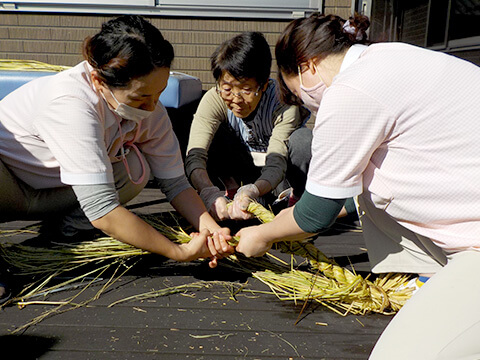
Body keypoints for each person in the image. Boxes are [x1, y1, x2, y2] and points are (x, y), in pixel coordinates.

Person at [235, 13, 480, 360]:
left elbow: (316, 215)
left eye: (297, 94)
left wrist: (263, 234)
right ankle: (437, 282)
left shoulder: (350, 91)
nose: (307, 104)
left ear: (307, 66)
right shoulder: (389, 57)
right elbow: (354, 195)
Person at [0, 15, 234, 301]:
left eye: (157, 95)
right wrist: (178, 252)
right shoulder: (70, 102)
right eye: (139, 99)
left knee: (134, 167)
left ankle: (66, 233)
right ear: (99, 80)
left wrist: (210, 229)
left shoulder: (150, 108)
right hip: (8, 186)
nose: (151, 108)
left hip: (54, 191)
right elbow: (102, 209)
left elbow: (175, 183)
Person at [185, 31, 312, 222]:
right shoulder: (214, 99)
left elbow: (277, 161)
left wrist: (254, 189)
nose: (236, 99)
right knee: (200, 131)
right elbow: (195, 155)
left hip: (278, 175)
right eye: (227, 88)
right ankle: (231, 191)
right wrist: (207, 191)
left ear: (262, 84)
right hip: (243, 169)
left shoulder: (282, 103)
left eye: (246, 90)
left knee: (303, 141)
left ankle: (296, 199)